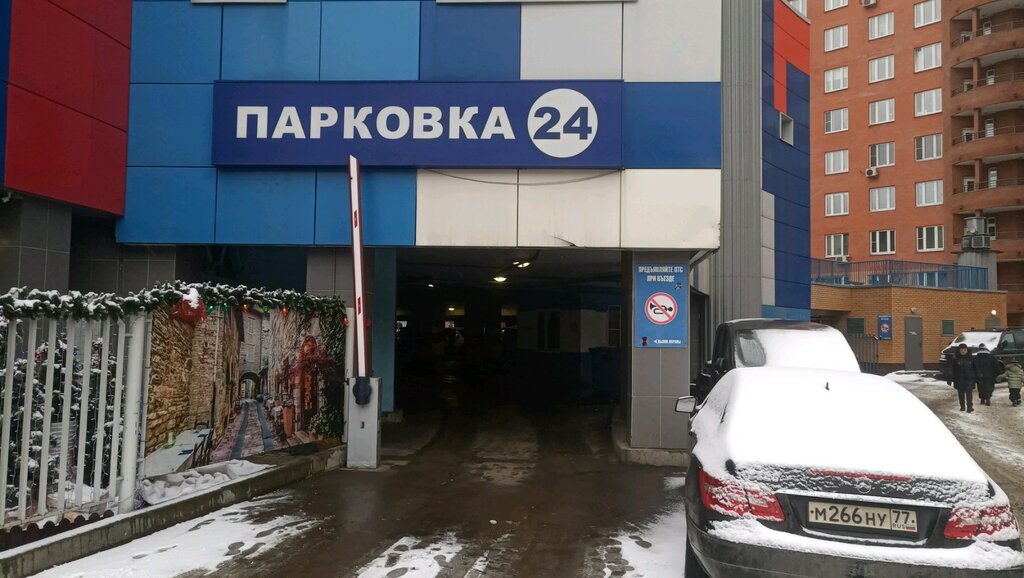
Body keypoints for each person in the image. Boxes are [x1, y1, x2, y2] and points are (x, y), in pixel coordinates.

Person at [948, 343, 976, 413]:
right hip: (959, 379)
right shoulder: (955, 359)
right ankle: (962, 407)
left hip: (969, 379)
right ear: (959, 350)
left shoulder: (971, 358)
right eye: (961, 350)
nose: (963, 351)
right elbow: (951, 370)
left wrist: (978, 378)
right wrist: (949, 378)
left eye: (964, 350)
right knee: (961, 394)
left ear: (967, 350)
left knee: (969, 394)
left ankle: (969, 407)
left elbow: (976, 369)